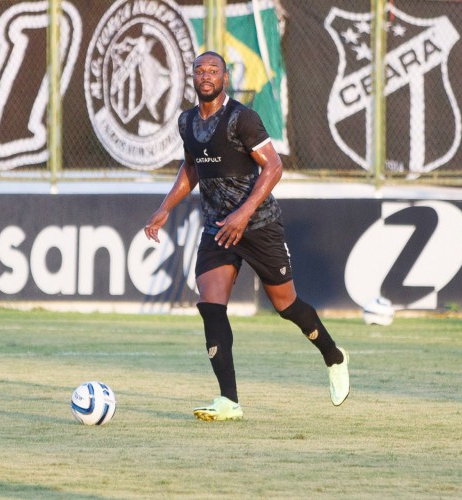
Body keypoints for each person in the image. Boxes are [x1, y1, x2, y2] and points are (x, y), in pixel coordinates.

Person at [143, 51, 349, 421]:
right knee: (210, 305)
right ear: (193, 77)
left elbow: (274, 166)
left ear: (225, 77)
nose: (206, 76)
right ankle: (229, 400)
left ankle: (333, 355)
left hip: (258, 225)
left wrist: (244, 212)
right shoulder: (187, 121)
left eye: (213, 70)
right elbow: (190, 169)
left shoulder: (242, 118)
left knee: (287, 306)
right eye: (200, 70)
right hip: (218, 228)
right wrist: (165, 208)